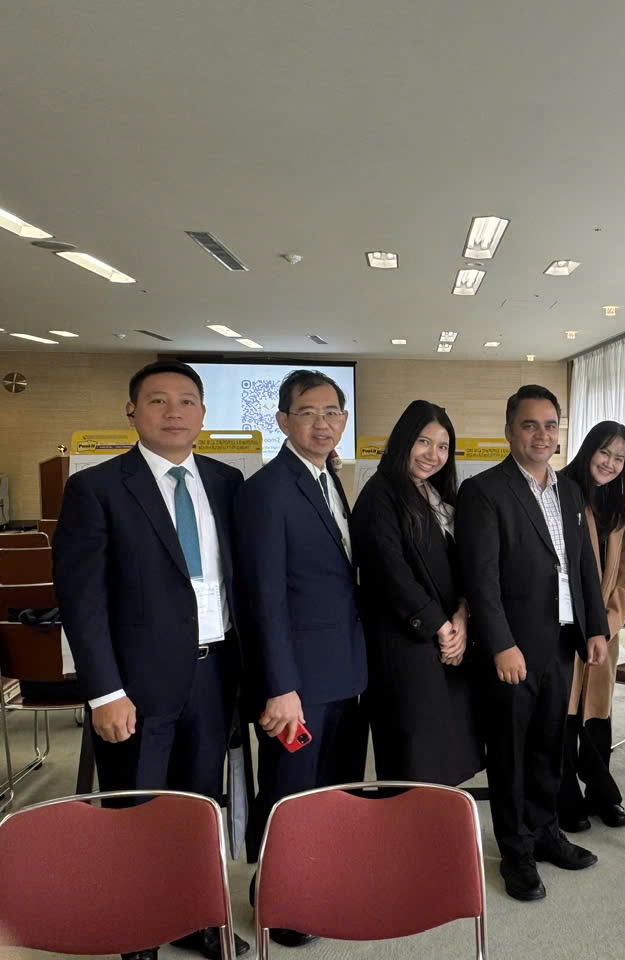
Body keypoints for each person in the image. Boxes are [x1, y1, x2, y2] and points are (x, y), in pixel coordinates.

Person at [53, 360, 250, 960]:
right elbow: (82, 601)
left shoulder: (227, 481)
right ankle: (136, 933)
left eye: (187, 401)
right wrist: (104, 692)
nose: (174, 412)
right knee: (135, 809)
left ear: (203, 414)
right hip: (135, 686)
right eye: (158, 401)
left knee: (197, 808)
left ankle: (191, 917)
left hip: (214, 673)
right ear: (132, 411)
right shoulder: (98, 488)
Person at [457, 385, 609, 902]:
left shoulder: (569, 490)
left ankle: (546, 833)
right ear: (509, 431)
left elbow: (583, 564)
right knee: (511, 751)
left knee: (549, 745)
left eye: (550, 425)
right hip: (514, 649)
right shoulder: (483, 491)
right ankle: (516, 851)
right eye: (529, 425)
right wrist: (500, 643)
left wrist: (594, 627)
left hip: (562, 640)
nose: (541, 435)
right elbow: (480, 578)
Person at [235, 370, 367, 948]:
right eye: (308, 413)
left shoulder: (329, 477)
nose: (322, 423)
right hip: (296, 685)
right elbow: (262, 599)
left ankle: (313, 881)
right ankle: (277, 896)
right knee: (289, 791)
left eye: (332, 412)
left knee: (331, 788)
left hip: (342, 671)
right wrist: (280, 686)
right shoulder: (266, 491)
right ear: (283, 420)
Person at [349, 400, 483, 785]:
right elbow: (391, 573)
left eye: (443, 446)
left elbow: (461, 564)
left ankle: (438, 819)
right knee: (413, 757)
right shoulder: (380, 494)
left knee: (446, 755)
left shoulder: (435, 494)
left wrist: (462, 615)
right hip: (405, 645)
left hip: (447, 639)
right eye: (423, 442)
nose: (433, 455)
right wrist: (442, 627)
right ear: (404, 440)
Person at [557, 420, 625, 832]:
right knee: (565, 714)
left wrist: (607, 624)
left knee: (598, 714)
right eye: (604, 452)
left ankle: (602, 794)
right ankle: (565, 797)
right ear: (589, 449)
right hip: (565, 626)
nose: (610, 463)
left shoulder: (620, 508)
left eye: (619, 458)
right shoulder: (561, 492)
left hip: (605, 628)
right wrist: (584, 624)